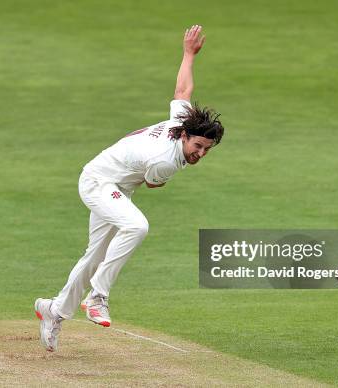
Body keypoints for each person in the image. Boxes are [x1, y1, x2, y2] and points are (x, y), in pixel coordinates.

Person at [34, 24, 224, 352]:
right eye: (198, 146)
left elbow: (182, 92)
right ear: (183, 137)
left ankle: (53, 311)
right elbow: (153, 183)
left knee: (94, 256)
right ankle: (98, 297)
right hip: (98, 182)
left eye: (207, 148)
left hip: (115, 187)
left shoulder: (181, 122)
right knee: (137, 226)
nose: (201, 154)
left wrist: (188, 54)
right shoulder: (166, 160)